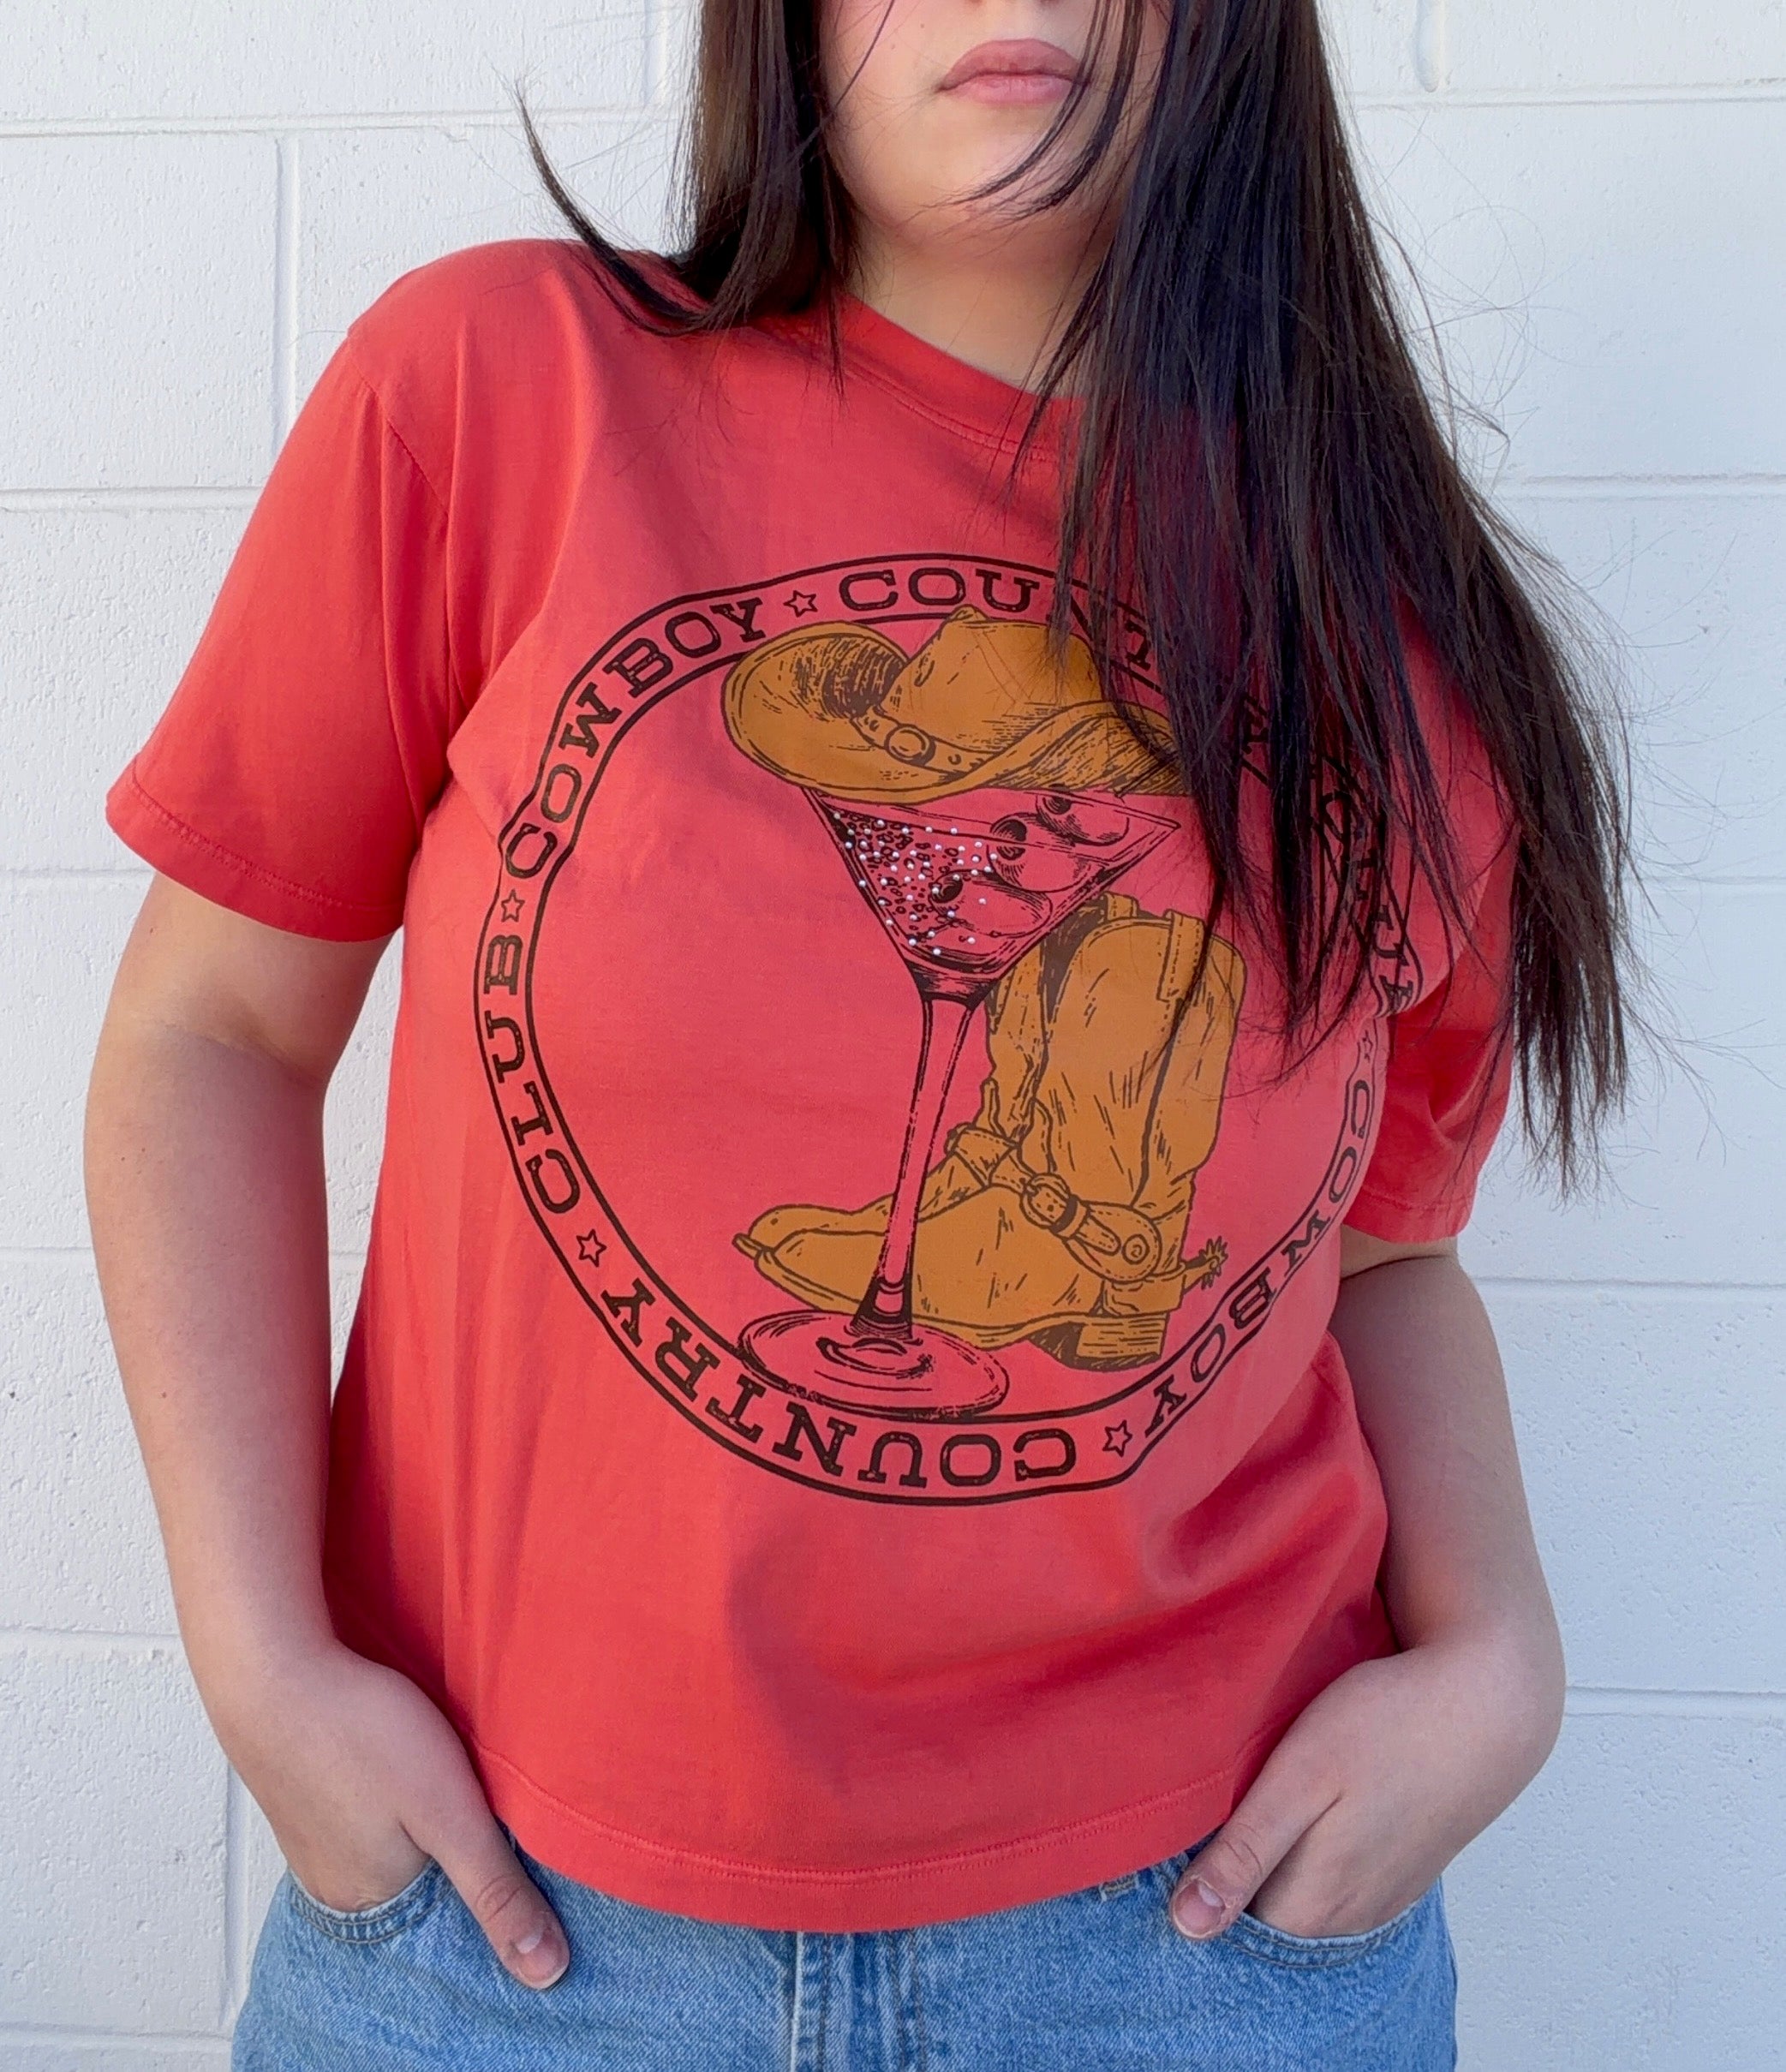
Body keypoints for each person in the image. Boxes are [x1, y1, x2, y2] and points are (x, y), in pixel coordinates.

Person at [84, 2, 1633, 2066]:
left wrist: (1499, 1656)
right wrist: (262, 1662)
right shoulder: (502, 388)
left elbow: (1380, 1256)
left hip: (1198, 1944)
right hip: (504, 1941)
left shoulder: (1376, 615)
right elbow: (208, 1035)